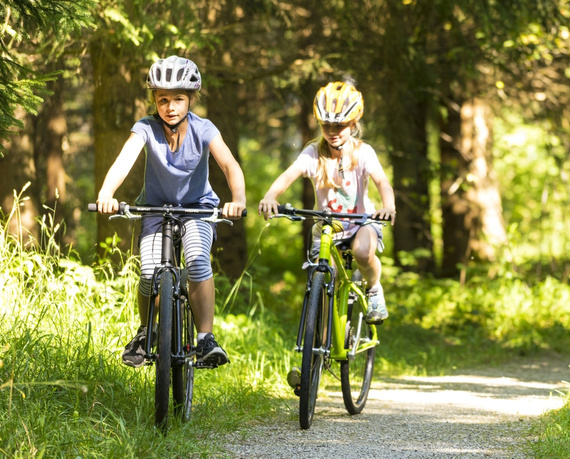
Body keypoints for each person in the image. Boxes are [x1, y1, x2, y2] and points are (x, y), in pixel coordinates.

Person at [96, 55, 246, 368]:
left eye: (179, 99)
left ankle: (205, 338)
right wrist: (106, 193)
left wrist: (238, 200)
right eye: (163, 99)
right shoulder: (146, 128)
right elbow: (124, 161)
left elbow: (229, 165)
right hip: (155, 209)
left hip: (198, 210)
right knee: (149, 272)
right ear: (154, 100)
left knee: (195, 260)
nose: (171, 107)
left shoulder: (204, 129)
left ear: (191, 99)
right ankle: (145, 331)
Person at [258, 81, 395, 324]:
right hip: (329, 227)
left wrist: (388, 206)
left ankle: (374, 288)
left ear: (353, 124)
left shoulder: (363, 152)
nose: (332, 131)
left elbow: (382, 182)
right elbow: (288, 176)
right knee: (323, 279)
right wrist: (271, 196)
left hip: (361, 223)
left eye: (340, 126)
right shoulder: (313, 153)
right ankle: (318, 354)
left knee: (362, 253)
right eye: (326, 125)